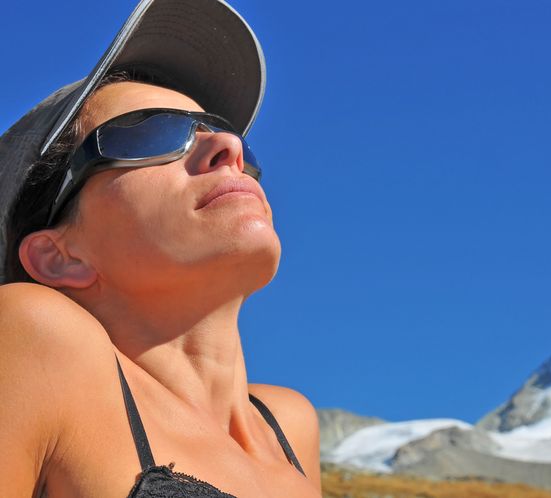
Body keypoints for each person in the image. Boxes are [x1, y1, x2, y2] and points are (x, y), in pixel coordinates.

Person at [0, 1, 321, 497]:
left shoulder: (290, 427)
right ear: (58, 256)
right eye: (149, 133)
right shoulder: (30, 332)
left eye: (220, 130)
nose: (228, 149)